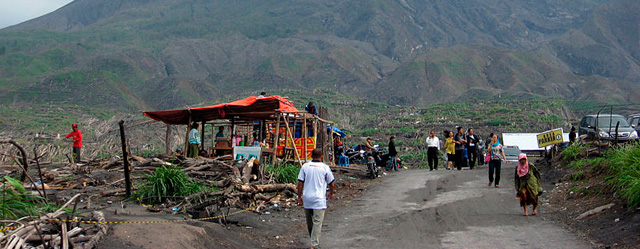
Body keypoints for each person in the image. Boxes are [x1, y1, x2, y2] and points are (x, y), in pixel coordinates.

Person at [297, 148, 335, 249]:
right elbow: (332, 183)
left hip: (307, 198)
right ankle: (314, 244)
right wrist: (331, 194)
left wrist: (299, 196)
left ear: (311, 155)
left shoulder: (305, 166)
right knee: (317, 223)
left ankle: (313, 241)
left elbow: (300, 183)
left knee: (310, 222)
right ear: (322, 156)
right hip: (319, 200)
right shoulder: (325, 167)